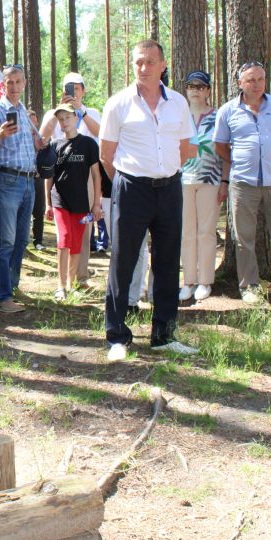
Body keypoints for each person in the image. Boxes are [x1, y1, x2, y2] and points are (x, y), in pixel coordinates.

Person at [99, 40, 197, 361]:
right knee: (123, 261)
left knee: (168, 261)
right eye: (139, 62)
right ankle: (116, 336)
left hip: (169, 188)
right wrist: (129, 182)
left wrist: (165, 172)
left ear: (163, 65)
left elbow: (186, 148)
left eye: (151, 62)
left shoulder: (179, 103)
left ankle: (164, 335)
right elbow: (106, 154)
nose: (144, 68)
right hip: (131, 189)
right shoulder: (118, 104)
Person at [214, 62, 271, 304]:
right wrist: (243, 159)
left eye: (261, 79)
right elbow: (220, 145)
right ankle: (249, 287)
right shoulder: (228, 111)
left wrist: (268, 157)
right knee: (244, 239)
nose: (256, 85)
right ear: (240, 83)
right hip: (242, 183)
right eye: (250, 80)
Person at [0, 64, 46, 313]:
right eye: (10, 82)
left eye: (19, 82)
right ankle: (3, 297)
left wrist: (40, 144)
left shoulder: (25, 115)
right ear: (3, 84)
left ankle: (13, 284)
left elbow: (32, 146)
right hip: (8, 181)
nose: (15, 87)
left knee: (21, 239)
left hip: (30, 180)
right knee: (6, 241)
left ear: (25, 83)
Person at [41, 72, 104, 285]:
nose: (73, 92)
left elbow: (102, 135)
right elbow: (43, 137)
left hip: (85, 175)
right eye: (68, 88)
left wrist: (82, 113)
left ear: (83, 90)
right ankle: (64, 279)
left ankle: (80, 276)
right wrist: (58, 113)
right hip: (60, 175)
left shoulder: (91, 112)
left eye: (77, 88)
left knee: (83, 228)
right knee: (64, 234)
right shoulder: (54, 113)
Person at [178, 70, 221, 303]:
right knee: (186, 233)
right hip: (182, 181)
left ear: (208, 91)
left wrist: (224, 181)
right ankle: (188, 281)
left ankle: (205, 281)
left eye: (200, 86)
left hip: (210, 181)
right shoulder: (179, 116)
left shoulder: (218, 116)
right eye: (191, 86)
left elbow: (225, 151)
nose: (195, 90)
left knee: (206, 232)